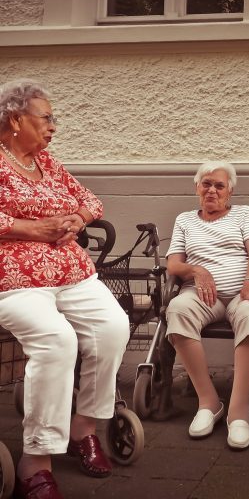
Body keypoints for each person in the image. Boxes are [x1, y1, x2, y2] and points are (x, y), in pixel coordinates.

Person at [0, 80, 130, 499]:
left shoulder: (47, 162)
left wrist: (76, 218)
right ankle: (36, 458)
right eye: (47, 117)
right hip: (15, 278)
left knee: (113, 327)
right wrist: (26, 228)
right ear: (16, 119)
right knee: (57, 341)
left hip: (70, 272)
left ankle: (83, 428)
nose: (54, 126)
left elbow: (90, 200)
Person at [165, 161, 249, 449]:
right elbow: (174, 263)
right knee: (177, 310)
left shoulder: (243, 214)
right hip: (203, 293)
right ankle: (209, 402)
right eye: (206, 183)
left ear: (230, 191)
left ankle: (239, 411)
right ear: (197, 188)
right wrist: (196, 271)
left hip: (248, 288)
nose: (212, 190)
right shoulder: (185, 220)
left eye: (219, 185)